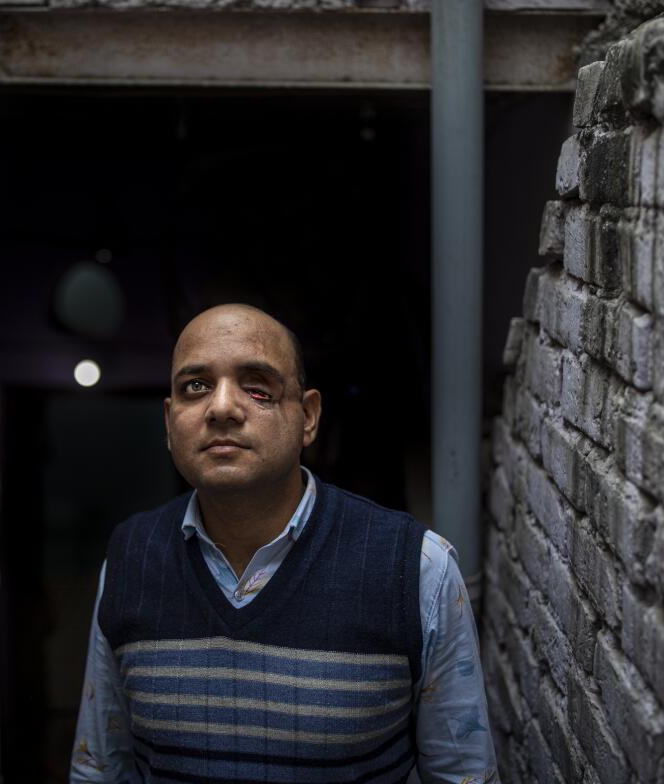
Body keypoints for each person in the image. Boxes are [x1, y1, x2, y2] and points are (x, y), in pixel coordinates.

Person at [70, 303, 498, 783]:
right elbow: (100, 767)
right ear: (170, 422)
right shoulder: (131, 560)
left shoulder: (417, 568)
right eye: (195, 387)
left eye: (257, 387)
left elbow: (462, 775)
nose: (222, 408)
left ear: (308, 417)